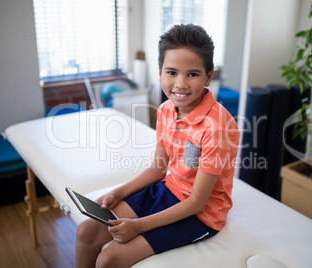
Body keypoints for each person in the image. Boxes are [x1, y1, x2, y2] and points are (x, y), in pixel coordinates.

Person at [75, 24, 240, 268]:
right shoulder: (165, 110)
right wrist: (117, 193)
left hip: (201, 215)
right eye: (172, 72)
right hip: (169, 190)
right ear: (160, 72)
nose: (180, 84)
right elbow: (158, 170)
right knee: (86, 232)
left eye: (192, 74)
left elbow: (197, 202)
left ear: (208, 77)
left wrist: (138, 226)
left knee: (109, 259)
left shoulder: (218, 127)